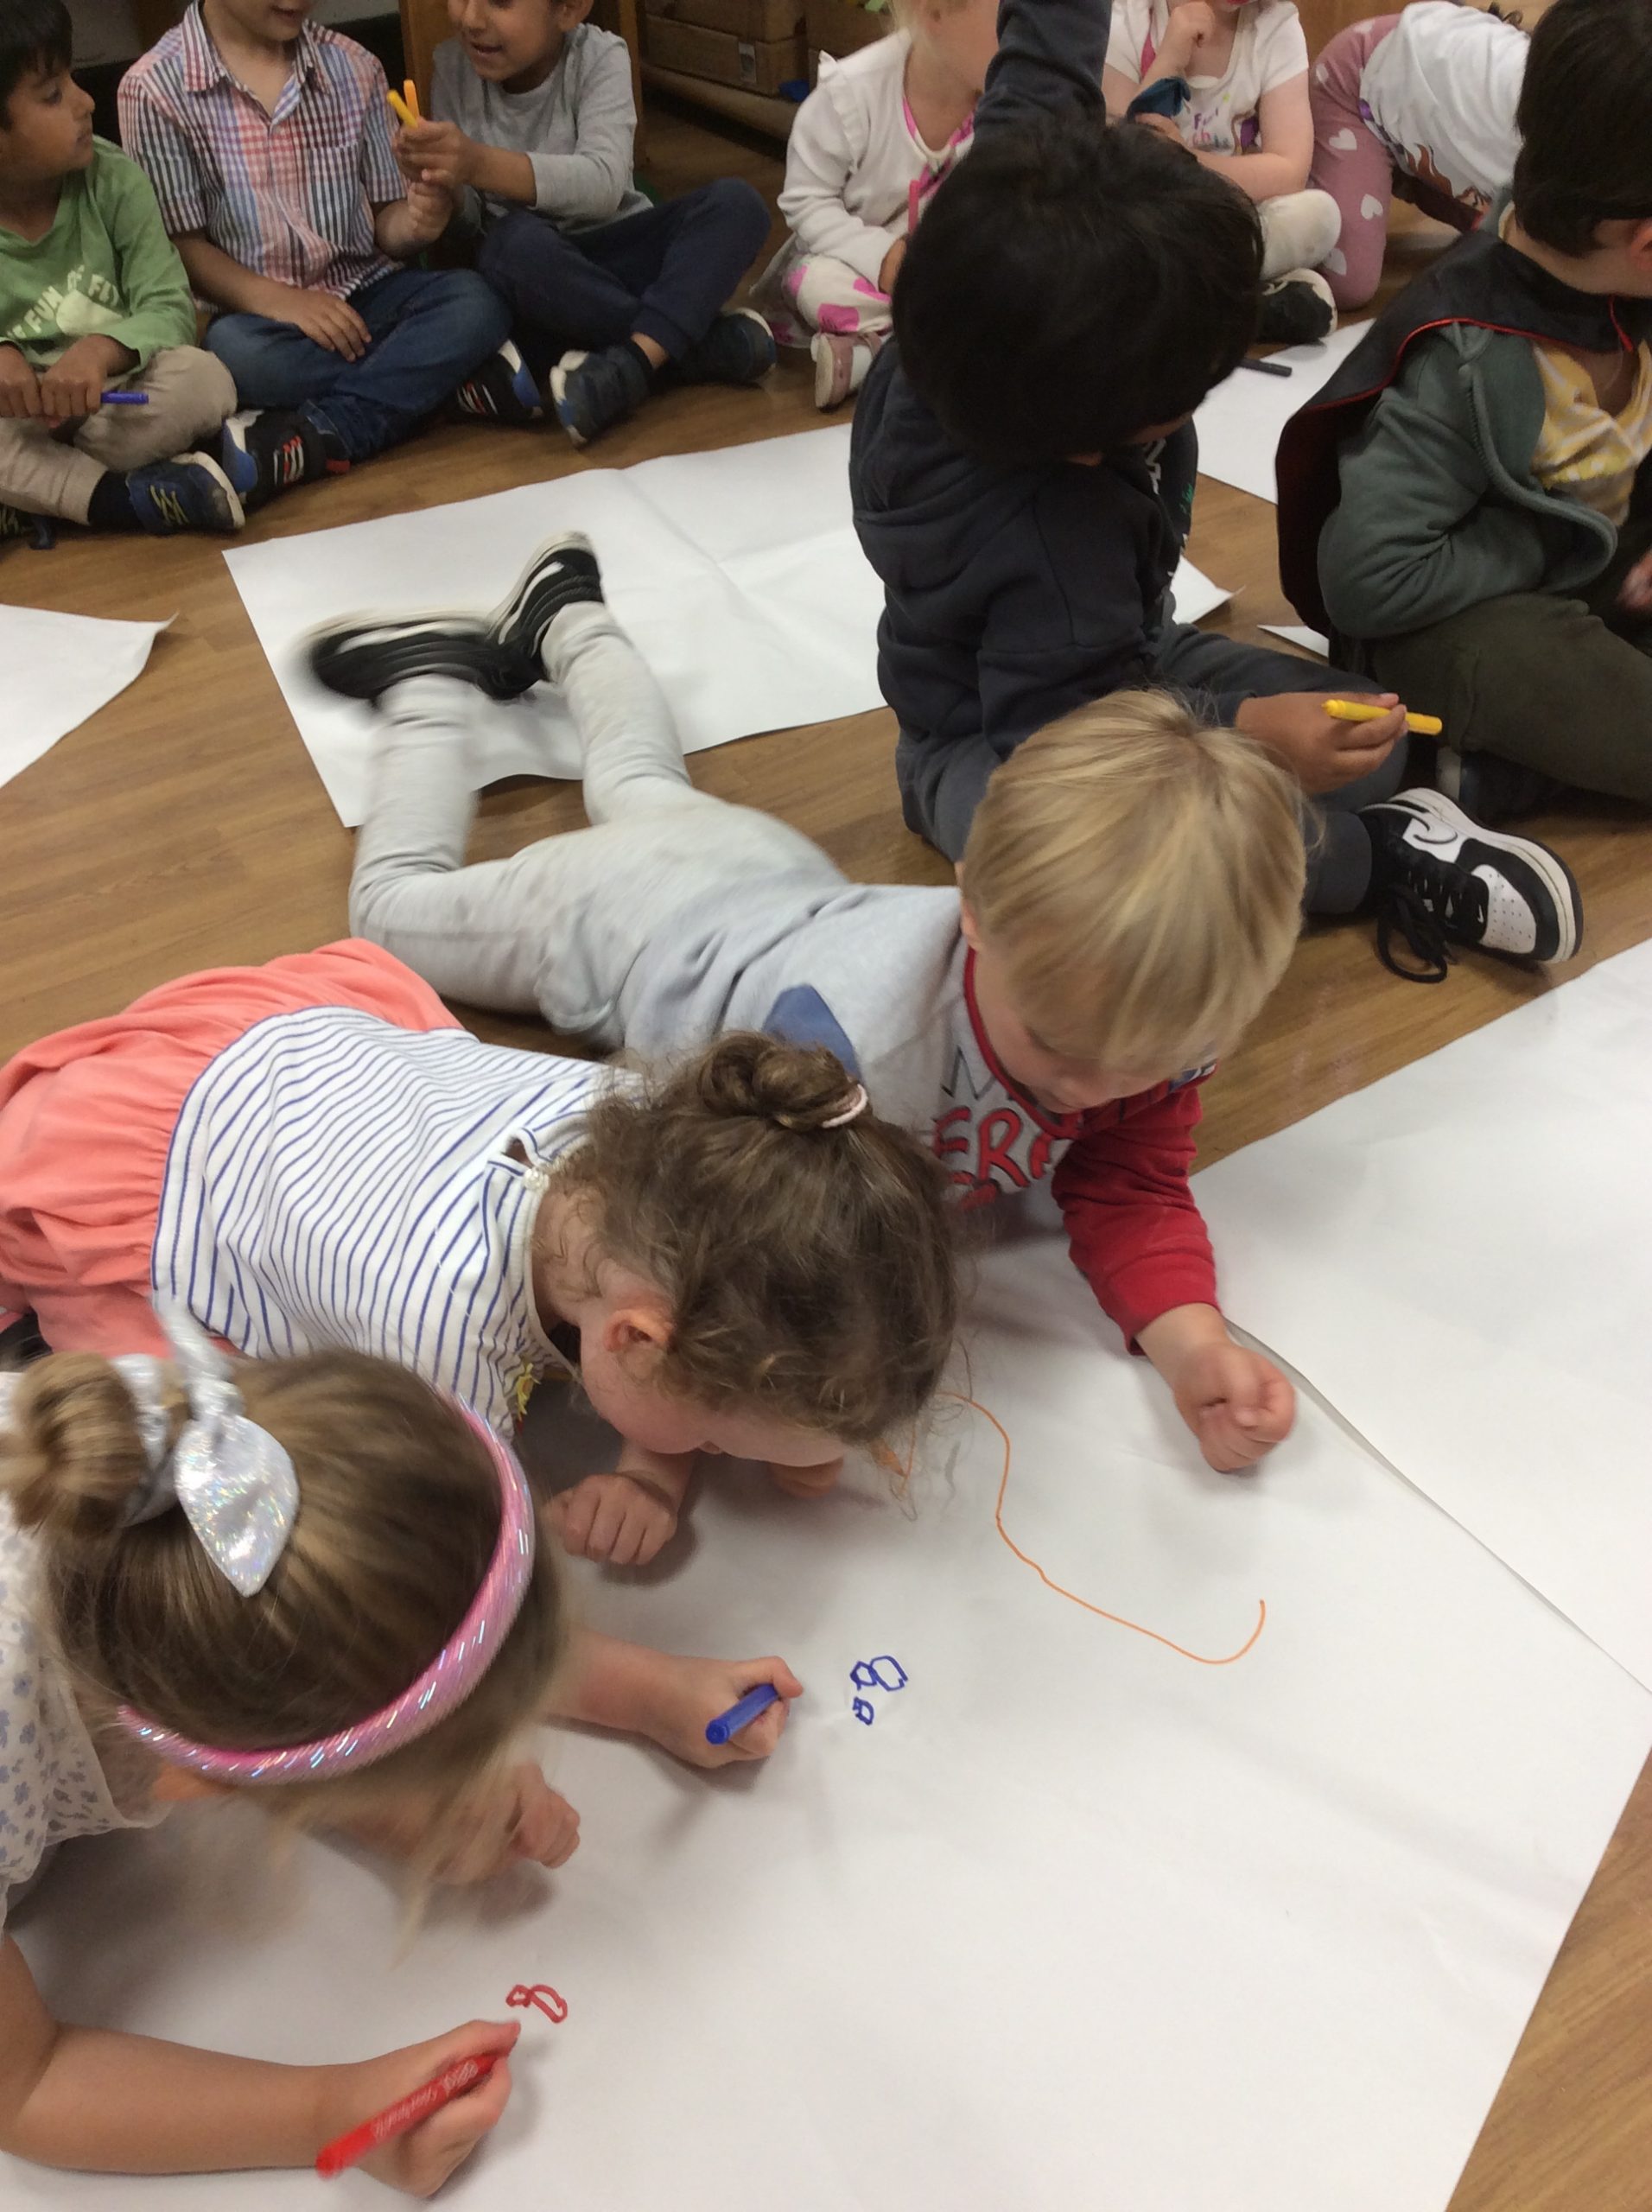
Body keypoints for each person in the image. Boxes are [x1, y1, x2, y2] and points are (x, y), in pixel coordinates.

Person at [310, 534, 1302, 1476]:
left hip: (767, 875)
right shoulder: (859, 1055)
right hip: (626, 922)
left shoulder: (1139, 1022)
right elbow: (688, 1220)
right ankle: (429, 686)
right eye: (1054, 1047)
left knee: (640, 778)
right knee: (388, 911)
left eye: (1145, 1066)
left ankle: (569, 617)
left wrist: (1191, 1343)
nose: (1089, 1093)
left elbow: (1129, 1180)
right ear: (971, 909)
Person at [850, 0, 1581, 983]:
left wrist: (1256, 728)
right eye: (1191, 392)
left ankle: (1404, 783)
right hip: (1000, 740)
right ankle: (1373, 861)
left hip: (1125, 651)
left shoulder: (1004, 239)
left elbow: (1045, 53)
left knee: (1357, 722)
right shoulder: (1053, 543)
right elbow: (1074, 745)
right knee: (1117, 864)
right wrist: (1241, 739)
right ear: (1090, 439)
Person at [0, 1309, 803, 2189]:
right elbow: (24, 2084)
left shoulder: (179, 1455)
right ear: (199, 1780)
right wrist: (326, 2113)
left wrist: (646, 1691)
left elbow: (396, 1611)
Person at [0, 939, 957, 1570]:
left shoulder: (654, 1138)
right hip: (152, 1181)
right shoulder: (442, 1342)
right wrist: (652, 1693)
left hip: (296, 1054)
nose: (702, 1458)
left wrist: (652, 1470)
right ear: (633, 1338)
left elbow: (679, 1359)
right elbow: (448, 1607)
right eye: (709, 1443)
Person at [1278, 0, 1652, 832]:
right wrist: (1556, 542)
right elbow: (1369, 581)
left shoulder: (1617, 280)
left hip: (1596, 564)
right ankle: (1502, 757)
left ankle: (1508, 770)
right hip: (1464, 614)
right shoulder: (1468, 356)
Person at [117, 0, 511, 508]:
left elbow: (386, 226)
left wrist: (416, 221)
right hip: (260, 320)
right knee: (237, 355)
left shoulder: (355, 66)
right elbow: (183, 248)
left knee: (475, 298)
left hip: (368, 297)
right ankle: (441, 387)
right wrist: (281, 301)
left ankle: (328, 429)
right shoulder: (152, 88)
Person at [397, 0, 773, 448]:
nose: (471, 18)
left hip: (618, 250)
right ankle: (666, 351)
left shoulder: (600, 56)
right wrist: (447, 194)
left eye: (499, 1)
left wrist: (477, 162)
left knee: (737, 204)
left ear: (569, 9)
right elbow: (473, 221)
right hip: (537, 278)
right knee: (509, 246)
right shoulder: (451, 66)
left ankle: (637, 354)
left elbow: (603, 186)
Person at [0, 0, 245, 540]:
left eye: (72, 79)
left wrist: (99, 352)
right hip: (17, 422)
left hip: (114, 404)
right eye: (53, 94)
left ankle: (42, 494)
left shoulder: (113, 179)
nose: (86, 101)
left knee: (205, 380)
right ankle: (120, 500)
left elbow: (170, 307)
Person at [752, 0, 998, 410]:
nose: (1024, 34)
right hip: (853, 267)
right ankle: (929, 347)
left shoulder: (1005, 100)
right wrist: (882, 258)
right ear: (934, 13)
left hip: (945, 270)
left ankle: (874, 355)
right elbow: (806, 201)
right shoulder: (851, 94)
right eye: (1007, 16)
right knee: (814, 283)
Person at [1102, 0, 1343, 341]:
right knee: (1103, 239)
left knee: (1320, 215)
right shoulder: (1130, 15)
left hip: (1227, 221)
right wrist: (1168, 61)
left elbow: (1290, 170)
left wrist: (1187, 158)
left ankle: (1185, 299)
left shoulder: (1276, 26)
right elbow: (1117, 155)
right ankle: (1229, 304)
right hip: (1147, 219)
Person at [1308, 0, 1528, 312]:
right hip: (1356, 80)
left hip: (1433, 81)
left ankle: (1390, 170)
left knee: (1511, 255)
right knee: (1348, 286)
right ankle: (1349, 164)